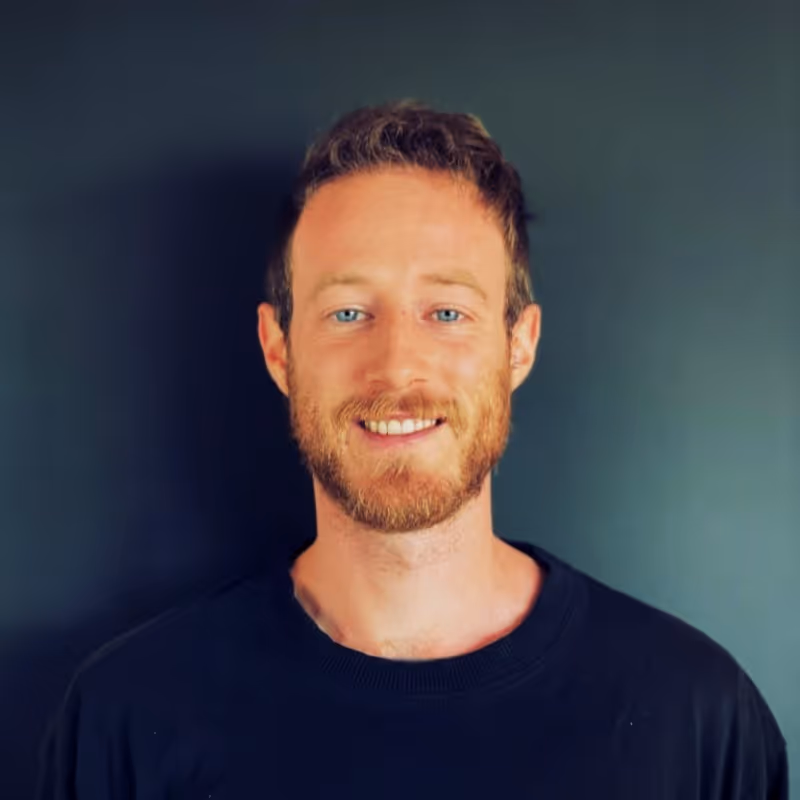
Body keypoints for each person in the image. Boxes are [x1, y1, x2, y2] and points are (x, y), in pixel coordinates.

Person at [37, 99, 789, 798]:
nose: (397, 366)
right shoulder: (128, 717)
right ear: (278, 350)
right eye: (349, 310)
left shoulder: (697, 718)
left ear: (518, 346)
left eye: (448, 311)